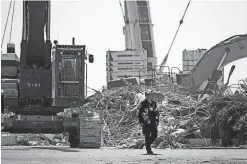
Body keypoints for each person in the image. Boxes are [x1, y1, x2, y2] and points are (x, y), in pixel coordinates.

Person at [137, 90, 159, 154]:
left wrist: (157, 120)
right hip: (146, 121)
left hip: (153, 121)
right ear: (146, 96)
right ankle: (148, 150)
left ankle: (147, 144)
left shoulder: (154, 103)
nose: (150, 96)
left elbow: (157, 112)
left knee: (154, 135)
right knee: (147, 135)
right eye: (148, 95)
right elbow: (139, 113)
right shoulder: (143, 103)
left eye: (151, 95)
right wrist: (140, 121)